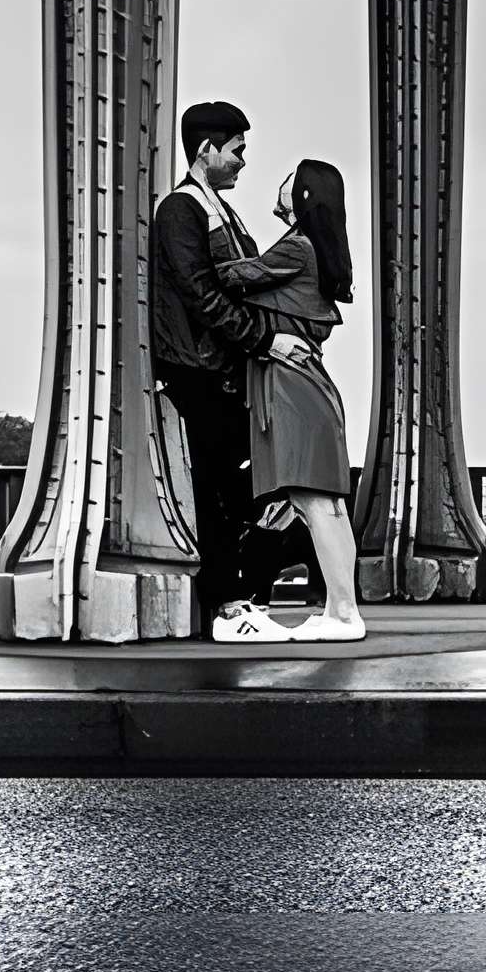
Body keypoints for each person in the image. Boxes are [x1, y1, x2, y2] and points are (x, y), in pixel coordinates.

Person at [148, 101, 316, 643]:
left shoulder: (215, 208)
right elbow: (202, 295)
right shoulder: (182, 210)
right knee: (220, 489)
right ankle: (229, 605)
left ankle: (248, 585)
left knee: (235, 483)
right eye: (237, 150)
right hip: (200, 369)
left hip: (220, 366)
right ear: (207, 150)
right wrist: (266, 340)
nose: (243, 161)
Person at [208, 157, 367, 643]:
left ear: (303, 195)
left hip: (292, 386)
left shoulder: (297, 247)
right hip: (310, 385)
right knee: (328, 506)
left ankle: (344, 615)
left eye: (289, 181)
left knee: (314, 503)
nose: (279, 185)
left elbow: (235, 276)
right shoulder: (316, 247)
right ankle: (341, 608)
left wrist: (201, 243)